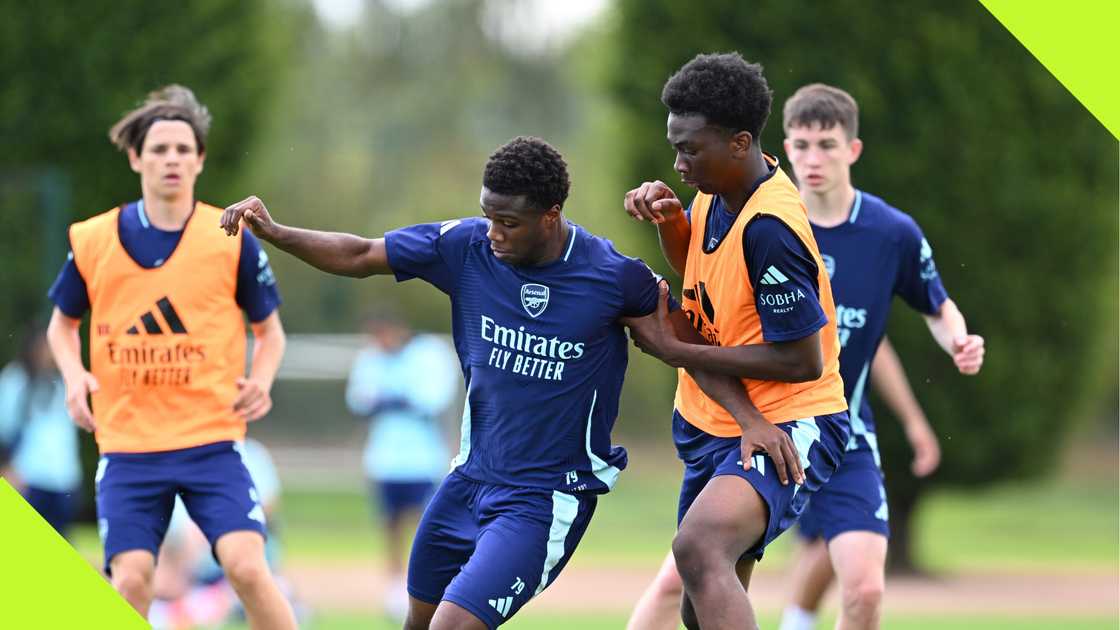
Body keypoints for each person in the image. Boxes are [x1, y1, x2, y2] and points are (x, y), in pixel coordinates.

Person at [220, 135, 759, 630]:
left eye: (509, 222)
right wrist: (277, 232)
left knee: (452, 627)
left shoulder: (612, 276)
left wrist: (751, 420)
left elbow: (685, 351)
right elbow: (362, 254)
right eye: (488, 216)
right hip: (467, 482)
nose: (494, 233)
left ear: (551, 216)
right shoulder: (466, 247)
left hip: (544, 498)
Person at [44, 85, 297, 630]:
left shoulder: (229, 237)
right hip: (131, 445)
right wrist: (73, 378)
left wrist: (262, 379)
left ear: (200, 159)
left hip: (210, 439)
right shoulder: (94, 239)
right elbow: (61, 326)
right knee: (132, 578)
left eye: (184, 149)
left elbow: (270, 332)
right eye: (159, 149)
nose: (172, 159)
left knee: (248, 568)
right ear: (136, 158)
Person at [621, 52, 851, 630]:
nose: (677, 163)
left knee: (698, 549)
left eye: (689, 149)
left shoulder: (770, 227)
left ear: (741, 142)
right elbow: (704, 280)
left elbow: (802, 359)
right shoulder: (716, 192)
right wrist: (672, 224)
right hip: (719, 418)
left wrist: (677, 351)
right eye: (675, 147)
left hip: (791, 420)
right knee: (701, 610)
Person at [776, 83, 984, 630]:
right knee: (694, 571)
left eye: (826, 143)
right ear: (785, 148)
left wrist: (958, 340)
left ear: (853, 150)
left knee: (865, 590)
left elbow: (937, 308)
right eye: (801, 145)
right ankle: (796, 620)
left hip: (843, 433)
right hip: (760, 429)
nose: (812, 158)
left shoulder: (891, 233)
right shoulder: (764, 225)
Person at [346, 312, 459, 620]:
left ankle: (426, 585)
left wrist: (391, 399)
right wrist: (395, 400)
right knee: (390, 526)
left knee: (425, 527)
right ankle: (395, 589)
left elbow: (430, 400)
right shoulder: (370, 358)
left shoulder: (428, 355)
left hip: (422, 460)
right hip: (384, 460)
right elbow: (359, 400)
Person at [0, 325, 82, 537]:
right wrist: (7, 469)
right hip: (28, 477)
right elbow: (5, 430)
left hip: (62, 479)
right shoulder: (15, 379)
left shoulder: (63, 381)